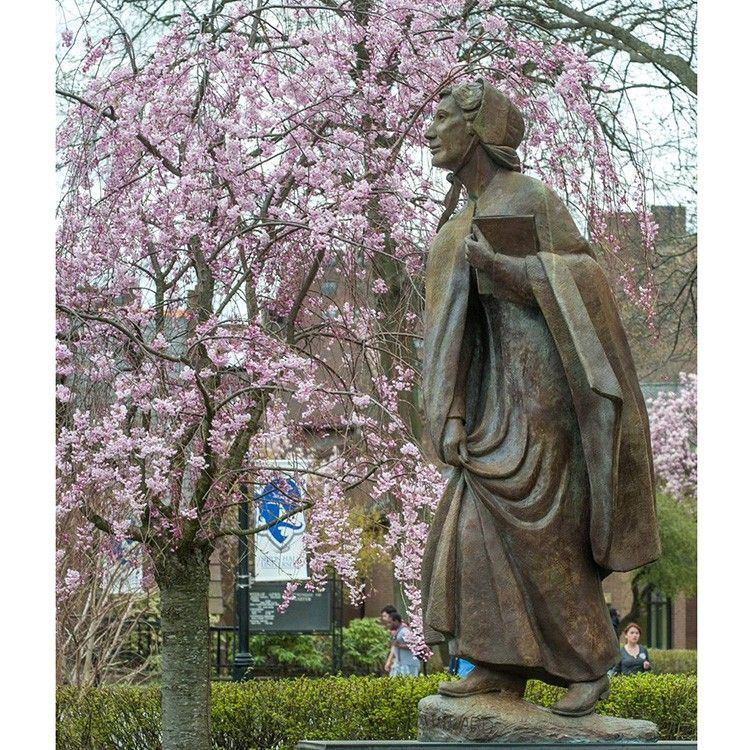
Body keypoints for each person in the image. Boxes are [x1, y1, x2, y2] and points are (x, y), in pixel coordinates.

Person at [420, 78, 661, 717]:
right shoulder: (460, 216)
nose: (430, 131)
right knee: (476, 528)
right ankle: (497, 663)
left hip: (546, 395)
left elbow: (588, 281)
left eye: (442, 119)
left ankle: (589, 664)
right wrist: (451, 411)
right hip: (494, 395)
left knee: (545, 531)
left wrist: (516, 272)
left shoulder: (531, 200)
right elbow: (458, 329)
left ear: (475, 131)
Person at [388, 612, 422, 677]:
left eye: (390, 622)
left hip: (409, 664)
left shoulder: (405, 631)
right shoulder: (399, 631)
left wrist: (399, 645)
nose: (389, 624)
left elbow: (415, 646)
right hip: (400, 664)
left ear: (396, 621)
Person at [380, 605, 399, 675]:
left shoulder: (396, 628)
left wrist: (389, 661)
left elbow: (394, 646)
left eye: (385, 616)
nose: (383, 619)